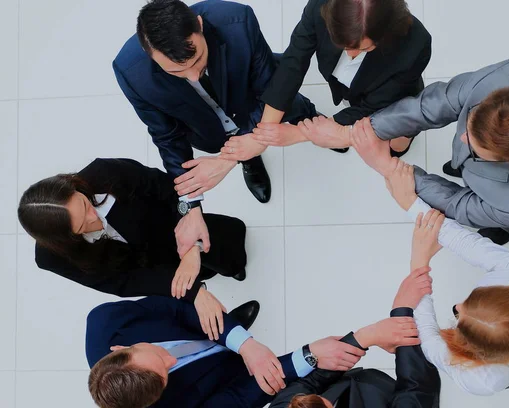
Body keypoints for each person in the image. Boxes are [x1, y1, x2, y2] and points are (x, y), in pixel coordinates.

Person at [308, 59, 509, 245]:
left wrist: (388, 167)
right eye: (469, 124)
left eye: (475, 145)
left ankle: (506, 227)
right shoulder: (507, 78)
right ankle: (465, 164)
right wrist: (352, 133)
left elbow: (456, 203)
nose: (461, 137)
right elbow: (428, 107)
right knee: (462, 159)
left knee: (504, 223)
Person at [376, 158, 509, 396]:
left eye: (459, 320)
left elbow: (429, 339)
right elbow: (471, 245)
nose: (456, 306)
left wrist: (418, 264)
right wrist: (411, 204)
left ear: (473, 348)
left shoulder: (479, 379)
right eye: (472, 300)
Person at [114, 0, 317, 204]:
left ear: (199, 25)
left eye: (197, 59)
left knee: (293, 105)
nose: (193, 76)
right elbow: (167, 136)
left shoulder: (238, 21)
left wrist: (228, 159)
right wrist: (190, 204)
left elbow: (270, 89)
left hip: (253, 100)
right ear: (149, 54)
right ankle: (249, 158)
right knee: (245, 148)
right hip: (209, 129)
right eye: (176, 71)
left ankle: (312, 118)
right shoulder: (131, 73)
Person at [18, 158, 245, 340]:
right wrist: (191, 290)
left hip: (172, 226)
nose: (93, 216)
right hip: (152, 268)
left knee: (227, 253)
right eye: (82, 225)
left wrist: (191, 245)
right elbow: (123, 282)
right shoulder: (51, 258)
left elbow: (170, 188)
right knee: (193, 281)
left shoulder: (105, 173)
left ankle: (231, 264)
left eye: (85, 205)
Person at [86, 295, 420, 408]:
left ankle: (232, 333)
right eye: (165, 374)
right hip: (226, 378)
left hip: (204, 329)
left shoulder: (105, 320)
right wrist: (307, 355)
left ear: (120, 348)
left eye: (159, 355)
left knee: (228, 331)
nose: (172, 360)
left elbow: (176, 309)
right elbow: (239, 398)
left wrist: (243, 343)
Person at [242, 0, 431, 158]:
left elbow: (372, 106)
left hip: (395, 97)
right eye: (344, 45)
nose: (351, 55)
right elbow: (293, 63)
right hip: (355, 91)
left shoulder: (415, 44)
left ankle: (406, 139)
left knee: (397, 143)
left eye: (363, 49)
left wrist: (301, 134)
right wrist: (265, 132)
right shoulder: (320, 6)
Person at [269, 267, 441, 408]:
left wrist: (364, 337)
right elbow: (417, 390)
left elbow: (312, 380)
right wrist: (402, 312)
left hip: (368, 384)